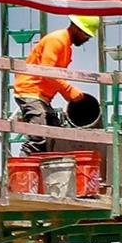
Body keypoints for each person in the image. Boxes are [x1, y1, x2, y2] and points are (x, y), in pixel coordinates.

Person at [13, 15, 100, 155]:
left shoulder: (66, 46)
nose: (87, 39)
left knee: (56, 137)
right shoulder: (57, 40)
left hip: (41, 96)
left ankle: (45, 173)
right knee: (38, 138)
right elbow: (46, 71)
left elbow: (52, 76)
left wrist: (67, 91)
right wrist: (68, 90)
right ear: (77, 28)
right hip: (30, 91)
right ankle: (21, 175)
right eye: (86, 34)